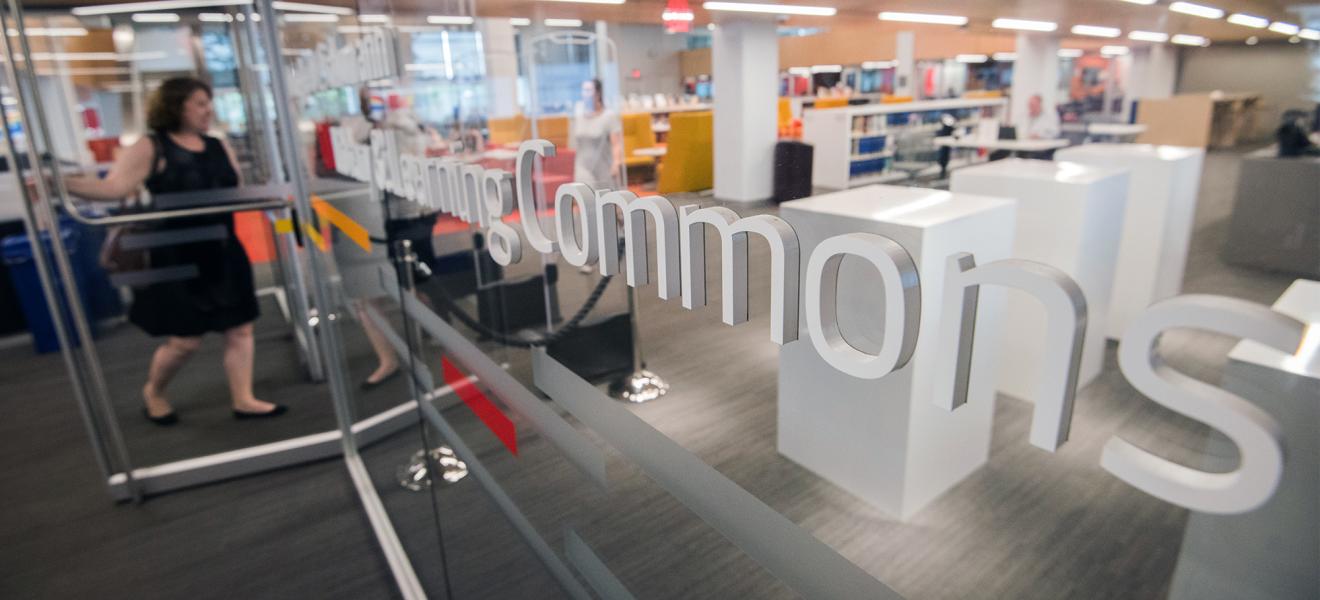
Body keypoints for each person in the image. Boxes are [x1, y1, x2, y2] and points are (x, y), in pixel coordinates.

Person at [63, 76, 285, 424]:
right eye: (199, 103)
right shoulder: (152, 147)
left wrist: (272, 195)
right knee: (185, 340)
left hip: (223, 251)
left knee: (240, 329)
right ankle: (154, 390)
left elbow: (234, 191)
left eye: (208, 103)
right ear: (176, 105)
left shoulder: (216, 145)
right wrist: (61, 184)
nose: (207, 109)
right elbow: (114, 189)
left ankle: (243, 399)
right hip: (179, 257)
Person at [343, 87, 441, 390]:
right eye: (368, 98)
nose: (374, 103)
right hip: (372, 215)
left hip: (411, 213)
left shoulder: (405, 122)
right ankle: (390, 357)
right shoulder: (359, 127)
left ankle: (433, 327)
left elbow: (415, 152)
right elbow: (350, 153)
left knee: (414, 284)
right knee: (371, 292)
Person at [572, 79, 623, 191]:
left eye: (588, 90)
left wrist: (616, 162)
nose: (585, 93)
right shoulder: (578, 114)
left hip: (603, 166)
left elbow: (616, 144)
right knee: (585, 199)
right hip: (582, 166)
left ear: (598, 93)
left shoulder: (609, 116)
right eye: (583, 90)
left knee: (606, 203)